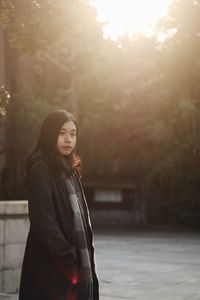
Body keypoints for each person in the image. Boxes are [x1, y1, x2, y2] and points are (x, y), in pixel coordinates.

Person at [19, 110, 99, 300]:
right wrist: (68, 256)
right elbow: (44, 222)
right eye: (62, 133)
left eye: (72, 134)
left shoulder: (69, 170)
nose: (68, 139)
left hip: (73, 263)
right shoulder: (41, 168)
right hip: (51, 265)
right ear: (49, 134)